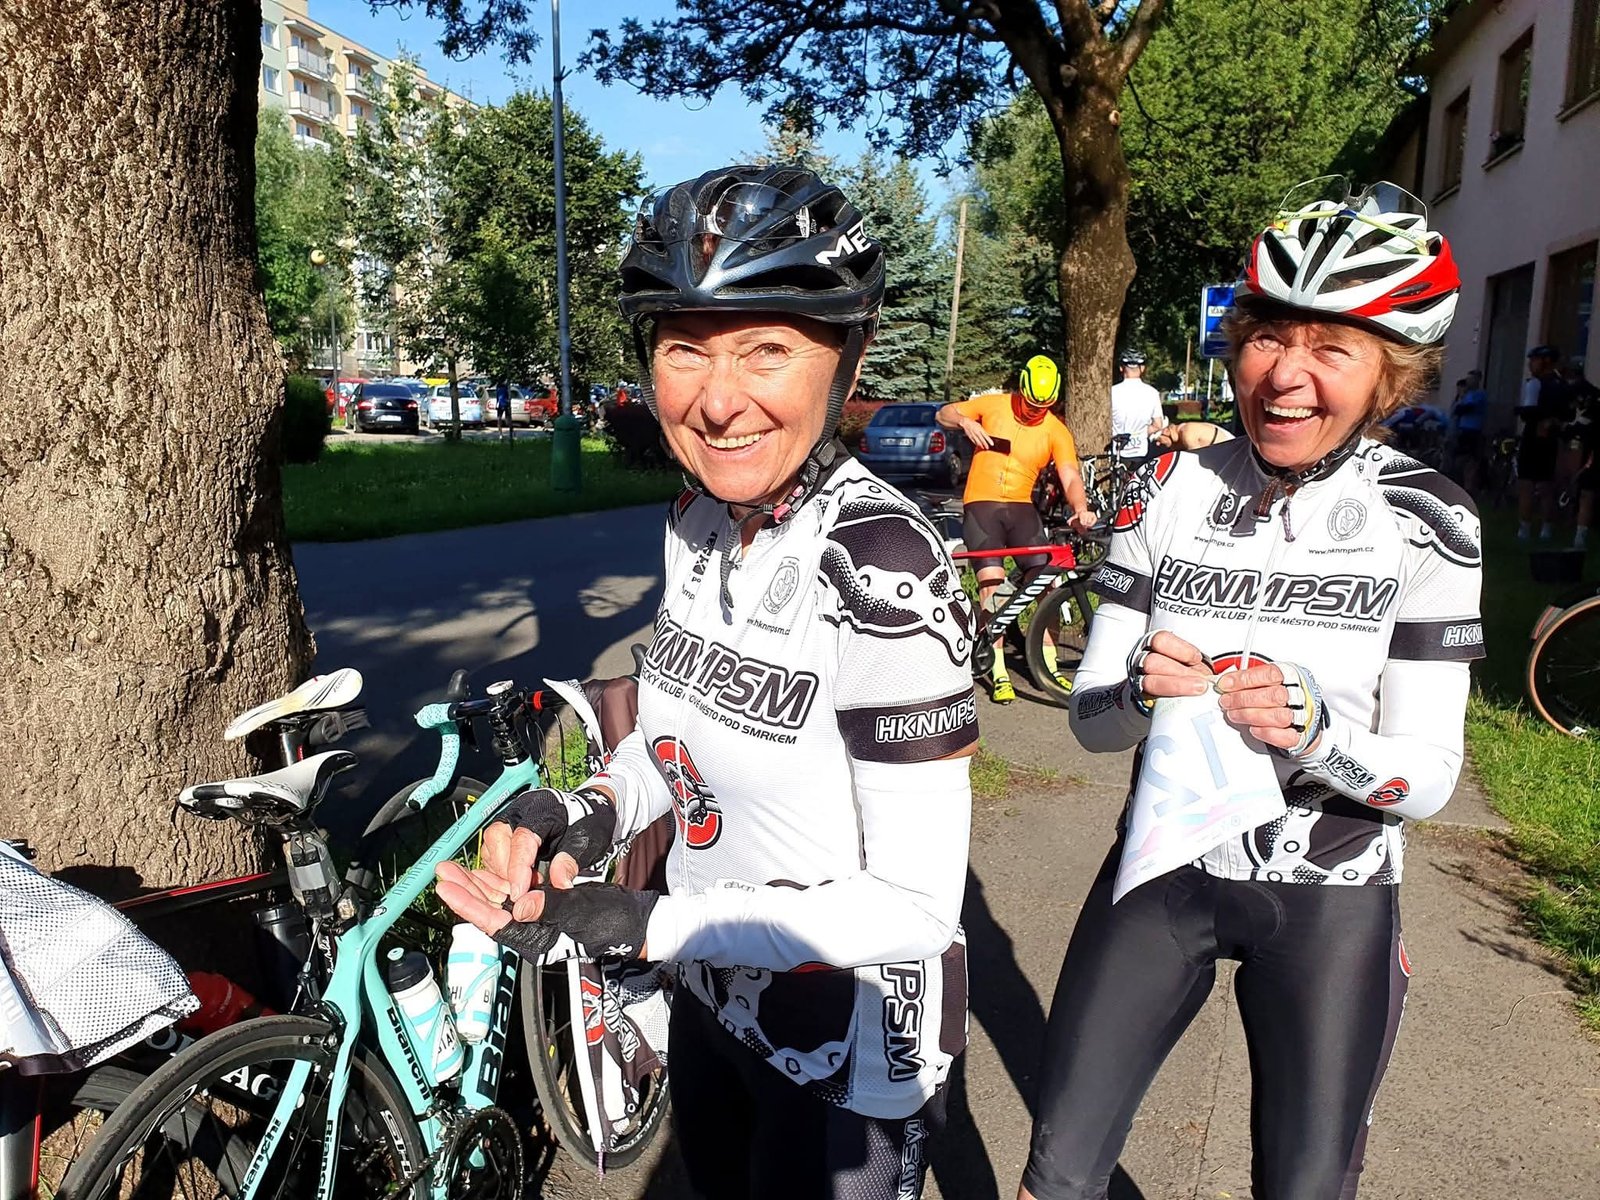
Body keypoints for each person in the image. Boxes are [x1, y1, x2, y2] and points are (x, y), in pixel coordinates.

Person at [435, 164, 976, 1200]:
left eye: (766, 349)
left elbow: (914, 908)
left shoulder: (880, 563)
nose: (718, 401)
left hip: (850, 1049)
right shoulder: (696, 519)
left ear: (848, 355)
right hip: (714, 1005)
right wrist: (584, 810)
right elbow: (673, 747)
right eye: (685, 348)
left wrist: (646, 926)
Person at [1020, 179, 1480, 1200]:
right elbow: (1092, 725)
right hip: (1162, 867)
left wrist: (1314, 733)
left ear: (1391, 376)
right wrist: (1140, 693)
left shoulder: (1429, 520)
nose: (1285, 375)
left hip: (1331, 895)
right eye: (1268, 336)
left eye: (1333, 349)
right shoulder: (1168, 490)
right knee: (1056, 1176)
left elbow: (1430, 780)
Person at [937, 356, 1095, 704]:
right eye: (1030, 404)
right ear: (1021, 389)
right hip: (982, 505)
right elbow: (943, 413)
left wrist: (1080, 509)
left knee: (1047, 584)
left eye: (1042, 407)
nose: (1034, 412)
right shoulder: (993, 405)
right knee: (991, 584)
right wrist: (964, 421)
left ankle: (1048, 667)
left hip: (1022, 509)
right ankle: (997, 671)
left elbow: (1070, 475)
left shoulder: (1055, 430)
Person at [1515, 344, 1572, 540]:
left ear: (1545, 362)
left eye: (1534, 361)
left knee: (1527, 484)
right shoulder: (1562, 384)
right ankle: (1546, 529)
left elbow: (1529, 413)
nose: (1531, 365)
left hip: (1533, 437)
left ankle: (1524, 529)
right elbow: (1568, 413)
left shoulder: (1535, 384)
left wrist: (1523, 411)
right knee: (1547, 485)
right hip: (1551, 440)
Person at [1109, 349, 1166, 459]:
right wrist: (1140, 433)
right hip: (1140, 452)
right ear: (1142, 368)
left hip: (1116, 451)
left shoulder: (1111, 392)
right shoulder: (1152, 393)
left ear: (1121, 368)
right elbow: (1158, 425)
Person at [1449, 369, 1486, 489]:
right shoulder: (1467, 395)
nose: (1468, 382)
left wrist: (1461, 402)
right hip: (1462, 430)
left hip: (1473, 430)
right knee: (1460, 459)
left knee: (1470, 460)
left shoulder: (1479, 394)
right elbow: (1455, 410)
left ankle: (1469, 486)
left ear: (1477, 380)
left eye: (1471, 379)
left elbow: (1465, 409)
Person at [1152, 419, 1234, 452]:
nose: (1158, 444)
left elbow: (1196, 462)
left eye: (1159, 440)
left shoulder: (1187, 435)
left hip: (1230, 453)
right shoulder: (1184, 429)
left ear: (1166, 431)